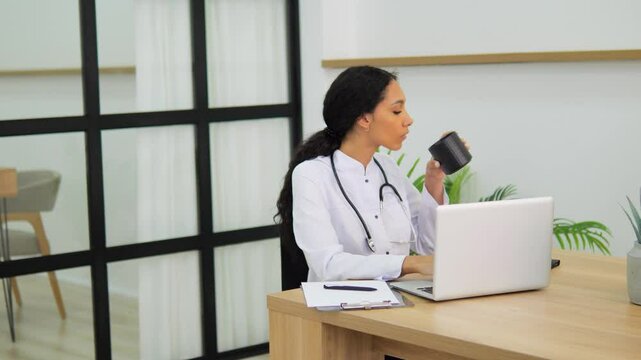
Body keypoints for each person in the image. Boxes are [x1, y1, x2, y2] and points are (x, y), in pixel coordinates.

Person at [276, 66, 457, 283]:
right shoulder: (311, 175)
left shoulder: (387, 167)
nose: (408, 120)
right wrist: (409, 264)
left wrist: (434, 182)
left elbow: (428, 245)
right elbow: (329, 265)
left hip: (400, 299)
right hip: (340, 307)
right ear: (364, 119)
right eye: (397, 111)